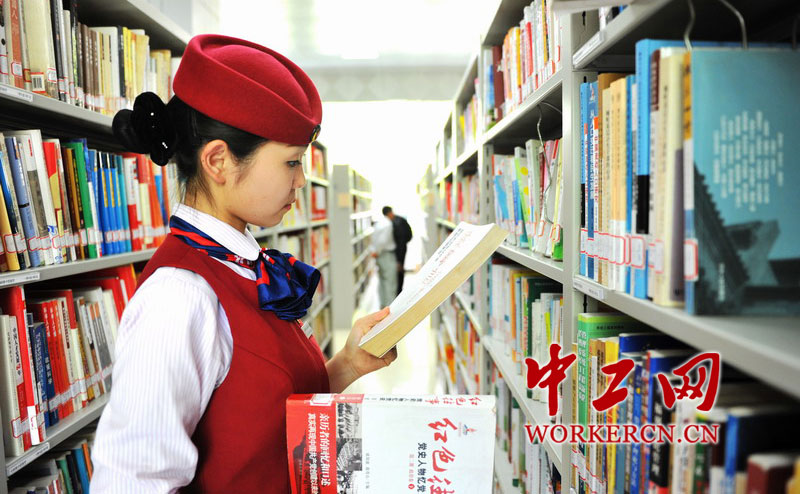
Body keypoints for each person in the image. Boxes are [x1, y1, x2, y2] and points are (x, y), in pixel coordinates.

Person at [90, 34, 397, 493]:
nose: (302, 180)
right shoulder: (179, 297)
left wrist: (349, 364)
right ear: (219, 160)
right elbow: (132, 482)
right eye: (291, 163)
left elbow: (266, 420)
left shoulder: (242, 263)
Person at [382, 206, 412, 295]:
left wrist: (399, 259)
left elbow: (402, 241)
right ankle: (398, 291)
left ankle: (398, 292)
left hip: (399, 251)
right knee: (399, 270)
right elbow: (409, 235)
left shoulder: (396, 223)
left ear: (389, 214)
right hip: (401, 249)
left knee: (399, 270)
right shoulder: (400, 220)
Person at [370, 208, 397, 308]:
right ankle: (390, 306)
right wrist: (377, 251)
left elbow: (374, 239)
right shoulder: (388, 224)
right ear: (389, 213)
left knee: (382, 280)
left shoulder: (378, 223)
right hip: (386, 254)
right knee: (390, 281)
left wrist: (375, 251)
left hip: (379, 255)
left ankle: (383, 303)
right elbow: (382, 241)